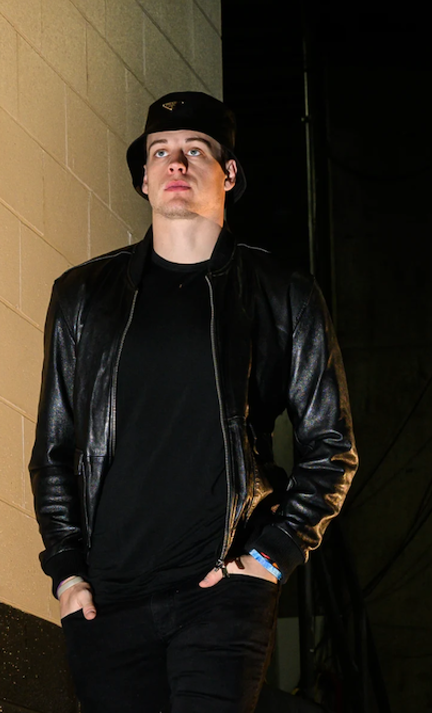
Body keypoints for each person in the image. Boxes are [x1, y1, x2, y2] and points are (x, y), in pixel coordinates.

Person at [29, 90, 358, 713]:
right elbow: (54, 450)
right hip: (109, 602)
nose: (175, 163)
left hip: (220, 594)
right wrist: (68, 575)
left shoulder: (281, 293)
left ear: (228, 174)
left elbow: (332, 449)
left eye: (194, 150)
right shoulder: (83, 296)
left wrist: (270, 557)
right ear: (144, 178)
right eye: (160, 152)